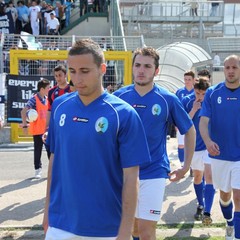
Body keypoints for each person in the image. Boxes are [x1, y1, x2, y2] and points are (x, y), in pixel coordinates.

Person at [42, 39, 151, 239]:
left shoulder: (123, 114)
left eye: (84, 71)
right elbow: (54, 161)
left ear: (102, 69)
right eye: (72, 71)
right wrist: (47, 211)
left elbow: (131, 178)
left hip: (105, 228)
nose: (77, 78)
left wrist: (125, 231)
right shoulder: (59, 107)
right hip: (60, 224)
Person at [114, 46, 196, 240]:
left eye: (147, 66)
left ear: (156, 71)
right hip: (124, 173)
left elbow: (190, 130)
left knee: (147, 232)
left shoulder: (167, 99)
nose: (141, 70)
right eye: (138, 65)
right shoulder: (118, 98)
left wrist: (186, 166)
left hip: (154, 172)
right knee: (131, 228)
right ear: (132, 67)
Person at [199, 54, 240, 239]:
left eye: (235, 67)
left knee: (238, 197)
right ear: (223, 69)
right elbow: (203, 122)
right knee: (225, 195)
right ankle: (230, 222)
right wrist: (207, 142)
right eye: (227, 67)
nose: (230, 71)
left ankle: (236, 234)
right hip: (219, 155)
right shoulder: (213, 93)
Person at [182, 78, 215, 225]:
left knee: (209, 177)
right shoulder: (187, 101)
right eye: (197, 93)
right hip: (194, 147)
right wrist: (194, 109)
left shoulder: (212, 100)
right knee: (197, 177)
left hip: (209, 146)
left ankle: (207, 211)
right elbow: (183, 124)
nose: (200, 97)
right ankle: (200, 204)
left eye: (203, 94)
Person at [20, 78, 50, 179]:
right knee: (38, 151)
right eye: (47, 88)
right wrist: (24, 125)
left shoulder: (47, 99)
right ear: (42, 89)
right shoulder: (34, 99)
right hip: (37, 130)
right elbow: (23, 111)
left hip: (46, 130)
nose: (49, 89)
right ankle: (38, 170)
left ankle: (53, 170)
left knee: (50, 150)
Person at [175, 70, 195, 167]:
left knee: (192, 144)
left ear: (193, 80)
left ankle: (192, 165)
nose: (187, 81)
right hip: (181, 122)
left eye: (189, 79)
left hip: (194, 122)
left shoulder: (196, 92)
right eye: (185, 79)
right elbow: (175, 108)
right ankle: (182, 164)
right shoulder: (179, 92)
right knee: (181, 144)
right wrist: (176, 123)